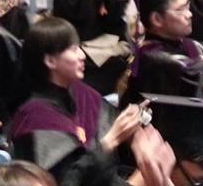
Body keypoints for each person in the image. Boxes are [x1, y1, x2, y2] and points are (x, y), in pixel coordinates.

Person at [9, 17, 154, 186]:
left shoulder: (80, 92)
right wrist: (111, 140)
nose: (82, 55)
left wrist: (134, 121)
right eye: (73, 49)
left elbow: (113, 123)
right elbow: (68, 181)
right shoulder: (35, 117)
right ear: (50, 61)